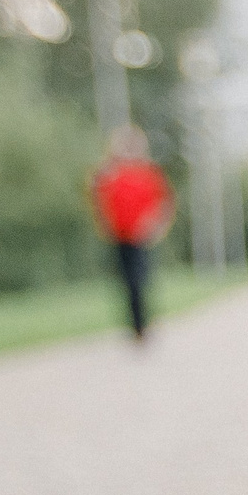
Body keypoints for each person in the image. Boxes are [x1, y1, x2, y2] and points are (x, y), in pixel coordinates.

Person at [91, 126, 174, 342]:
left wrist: (155, 226)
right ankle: (134, 325)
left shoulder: (148, 173)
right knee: (126, 282)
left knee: (140, 280)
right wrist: (104, 224)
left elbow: (163, 203)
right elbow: (99, 200)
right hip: (119, 236)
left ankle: (142, 325)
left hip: (140, 237)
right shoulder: (110, 173)